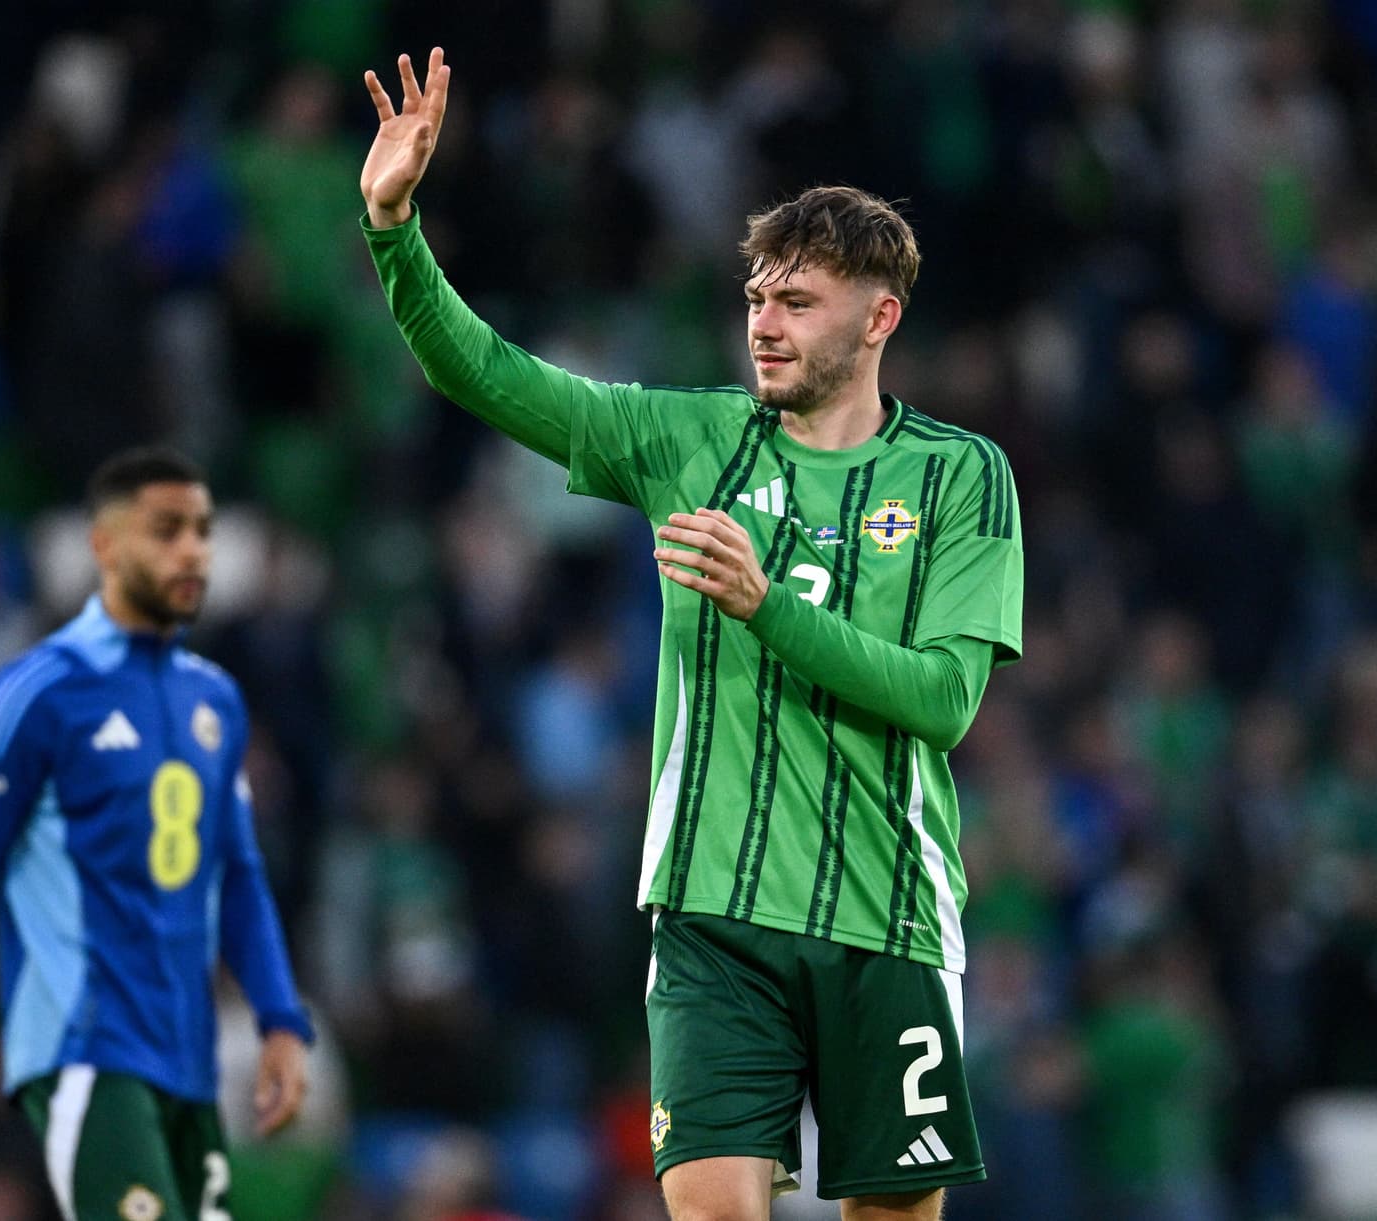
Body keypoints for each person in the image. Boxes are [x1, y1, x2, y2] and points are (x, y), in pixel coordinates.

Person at [359, 49, 1024, 1221]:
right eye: (758, 295)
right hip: (712, 916)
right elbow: (484, 373)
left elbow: (943, 702)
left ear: (879, 320)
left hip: (893, 917)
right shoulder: (683, 439)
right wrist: (394, 228)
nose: (763, 324)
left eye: (796, 301)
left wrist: (770, 606)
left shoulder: (963, 477)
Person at [0, 447, 315, 1221]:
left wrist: (280, 1017)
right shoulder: (39, 692)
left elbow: (240, 874)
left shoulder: (213, 699)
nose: (192, 550)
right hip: (84, 1046)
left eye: (201, 530)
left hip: (184, 1055)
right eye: (167, 531)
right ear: (107, 547)